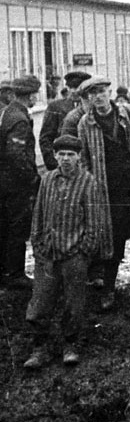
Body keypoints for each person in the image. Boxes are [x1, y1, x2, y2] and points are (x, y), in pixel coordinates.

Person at [23, 135, 107, 369]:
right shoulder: (48, 180)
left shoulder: (88, 182)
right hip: (47, 255)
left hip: (74, 255)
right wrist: (38, 246)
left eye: (71, 154)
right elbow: (38, 214)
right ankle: (40, 348)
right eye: (62, 154)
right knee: (40, 302)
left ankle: (71, 345)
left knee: (74, 304)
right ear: (56, 156)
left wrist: (84, 252)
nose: (66, 159)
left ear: (79, 156)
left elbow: (94, 223)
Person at [76, 76, 130, 311]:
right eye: (93, 94)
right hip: (108, 188)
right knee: (112, 236)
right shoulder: (85, 123)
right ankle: (109, 287)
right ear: (88, 98)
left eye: (102, 91)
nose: (98, 97)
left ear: (110, 92)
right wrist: (90, 186)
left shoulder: (128, 113)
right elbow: (84, 159)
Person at [0, 76, 42, 289]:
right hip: (17, 184)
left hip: (5, 181)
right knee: (18, 226)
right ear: (31, 95)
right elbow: (16, 153)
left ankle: (5, 271)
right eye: (36, 94)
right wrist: (31, 177)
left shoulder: (8, 112)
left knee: (6, 225)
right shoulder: (19, 118)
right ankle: (15, 273)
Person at [38, 70, 90, 170]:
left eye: (77, 87)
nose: (74, 91)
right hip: (64, 163)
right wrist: (53, 164)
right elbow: (46, 138)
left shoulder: (92, 107)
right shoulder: (56, 107)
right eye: (71, 87)